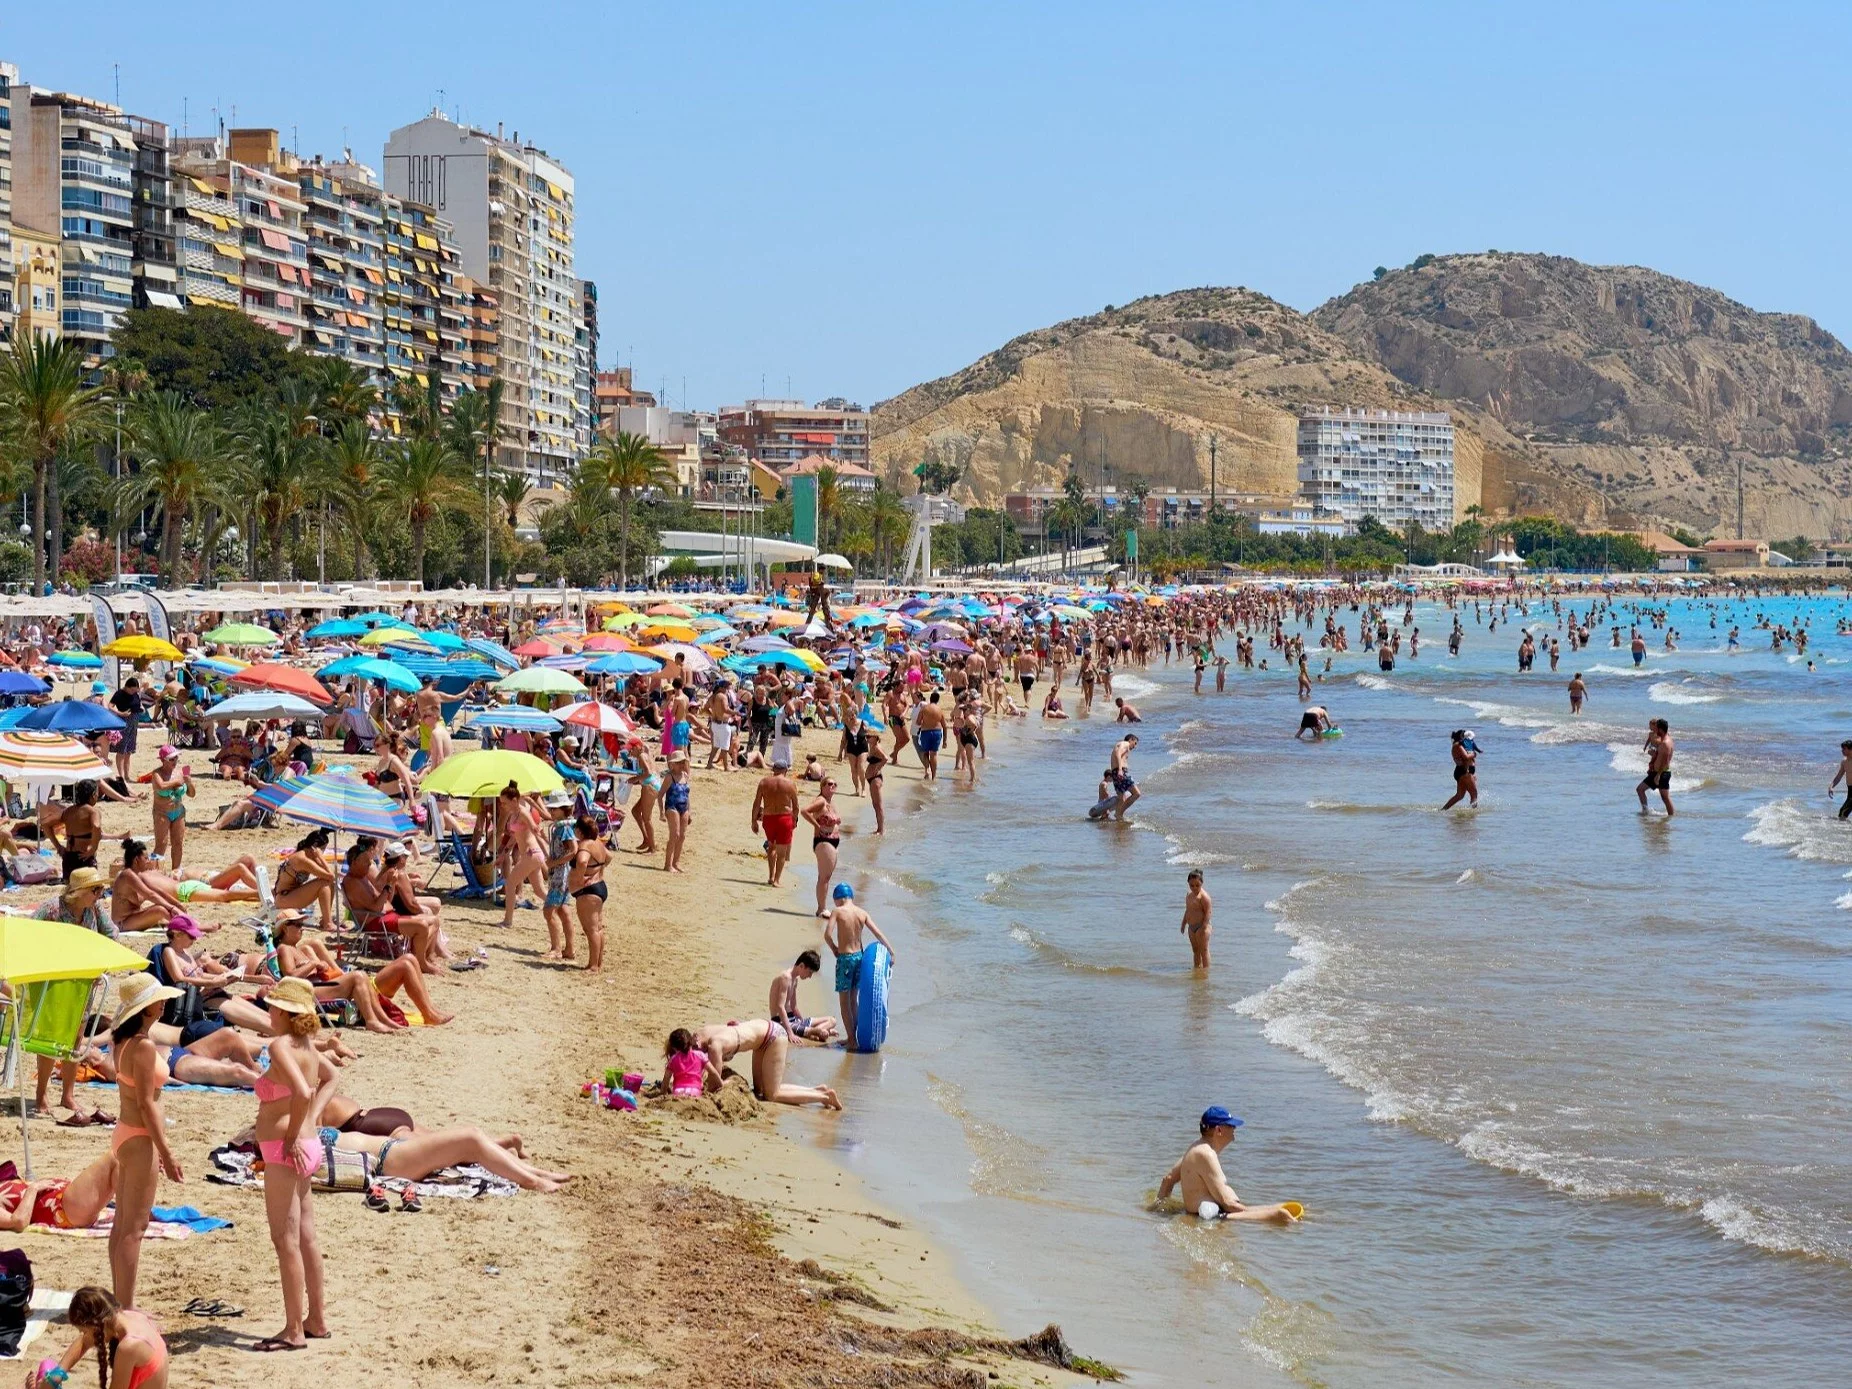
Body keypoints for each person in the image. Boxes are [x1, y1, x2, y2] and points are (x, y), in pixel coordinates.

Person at [252, 976, 335, 1352]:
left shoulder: (281, 1045)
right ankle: (316, 1319)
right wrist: (312, 1118)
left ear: (285, 1013)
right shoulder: (308, 1046)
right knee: (307, 1236)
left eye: (273, 1006)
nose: (268, 1011)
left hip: (285, 1148)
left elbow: (302, 1091)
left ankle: (293, 1329)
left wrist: (287, 1137)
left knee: (284, 1240)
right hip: (308, 1142)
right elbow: (329, 1080)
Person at [106, 973, 185, 1308]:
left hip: (126, 1133)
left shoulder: (123, 1041)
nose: (164, 1003)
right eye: (158, 1000)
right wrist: (166, 1152)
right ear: (144, 1008)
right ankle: (125, 1308)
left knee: (122, 1223)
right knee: (134, 1228)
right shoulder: (144, 1045)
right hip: (140, 1137)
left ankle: (120, 1300)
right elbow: (146, 1102)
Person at [1157, 1107, 1298, 1222]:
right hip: (1212, 1218)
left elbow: (1168, 1179)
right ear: (1219, 1130)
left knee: (1284, 1206)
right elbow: (1227, 1204)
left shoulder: (1195, 1147)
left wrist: (1159, 1210)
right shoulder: (1207, 1154)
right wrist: (1257, 1213)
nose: (1234, 1128)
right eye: (1231, 1125)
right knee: (1281, 1214)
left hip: (1205, 1214)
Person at [691, 1018, 840, 1109]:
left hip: (774, 1037)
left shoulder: (714, 1046)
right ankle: (817, 1089)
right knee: (760, 1091)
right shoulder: (702, 1032)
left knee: (772, 1095)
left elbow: (714, 1083)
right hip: (762, 1035)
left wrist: (701, 1093)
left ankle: (825, 1097)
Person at [36, 1286, 168, 1388]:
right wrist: (57, 1375)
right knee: (48, 1373)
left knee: (43, 1374)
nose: (84, 1335)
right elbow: (83, 1342)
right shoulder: (132, 1317)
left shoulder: (128, 1347)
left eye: (84, 1331)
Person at [824, 882, 893, 1048]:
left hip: (845, 958)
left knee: (843, 1002)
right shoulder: (862, 913)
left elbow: (827, 935)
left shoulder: (838, 911)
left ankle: (851, 1040)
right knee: (853, 1000)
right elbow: (877, 933)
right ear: (851, 897)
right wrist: (891, 951)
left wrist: (834, 948)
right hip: (859, 957)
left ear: (837, 899)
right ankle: (854, 1037)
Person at [0, 1150, 117, 1233]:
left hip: (66, 1199)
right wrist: (33, 1189)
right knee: (116, 1156)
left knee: (124, 1156)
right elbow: (18, 1222)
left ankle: (132, 1216)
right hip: (63, 1208)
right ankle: (130, 1219)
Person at [567, 816, 610, 971]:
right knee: (597, 928)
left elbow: (583, 861)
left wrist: (580, 878)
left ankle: (593, 966)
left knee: (591, 930)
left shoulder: (585, 845)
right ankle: (598, 963)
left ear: (579, 831)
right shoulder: (597, 843)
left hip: (588, 891)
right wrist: (598, 872)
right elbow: (609, 857)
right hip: (598, 886)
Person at [751, 756, 800, 888]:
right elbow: (796, 806)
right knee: (782, 852)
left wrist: (754, 821)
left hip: (768, 818)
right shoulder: (790, 784)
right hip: (784, 819)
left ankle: (771, 877)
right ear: (785, 770)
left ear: (773, 769)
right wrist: (794, 821)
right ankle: (777, 880)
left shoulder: (764, 782)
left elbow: (756, 803)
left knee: (771, 847)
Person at [768, 949, 839, 1041]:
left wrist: (802, 1022)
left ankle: (814, 1031)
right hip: (782, 1022)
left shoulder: (795, 980)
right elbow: (780, 1006)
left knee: (832, 1020)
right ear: (801, 966)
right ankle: (817, 1031)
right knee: (823, 1034)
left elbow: (794, 1007)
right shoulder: (785, 978)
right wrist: (790, 1033)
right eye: (810, 972)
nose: (809, 976)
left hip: (794, 1020)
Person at [540, 791, 578, 960]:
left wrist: (553, 863)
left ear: (564, 809)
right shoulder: (562, 827)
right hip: (563, 872)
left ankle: (556, 948)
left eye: (555, 808)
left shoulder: (564, 828)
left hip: (561, 873)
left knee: (549, 910)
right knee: (563, 910)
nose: (552, 811)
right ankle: (569, 948)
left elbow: (573, 850)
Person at [802, 776, 844, 916]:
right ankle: (821, 908)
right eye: (829, 784)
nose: (832, 786)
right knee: (824, 877)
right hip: (823, 840)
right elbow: (804, 811)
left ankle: (822, 906)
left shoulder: (831, 802)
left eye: (835, 784)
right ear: (822, 786)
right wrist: (817, 825)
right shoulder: (821, 801)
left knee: (826, 876)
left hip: (832, 841)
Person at [49, 779, 103, 883]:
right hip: (84, 856)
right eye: (97, 793)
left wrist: (58, 846)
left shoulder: (68, 811)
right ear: (93, 795)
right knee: (89, 888)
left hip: (69, 856)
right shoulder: (92, 812)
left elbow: (46, 825)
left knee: (70, 889)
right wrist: (93, 847)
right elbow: (97, 826)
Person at [662, 1027, 723, 1097]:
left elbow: (666, 1078)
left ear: (674, 1047)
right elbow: (713, 1072)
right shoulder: (700, 1055)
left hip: (677, 1091)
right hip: (695, 1091)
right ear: (690, 1042)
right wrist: (721, 1084)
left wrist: (663, 1093)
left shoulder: (673, 1059)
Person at [661, 754, 692, 874]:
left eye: (682, 762)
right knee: (675, 835)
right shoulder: (669, 777)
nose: (681, 765)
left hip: (684, 807)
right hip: (672, 806)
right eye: (678, 762)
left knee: (682, 836)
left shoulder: (685, 776)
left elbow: (687, 795)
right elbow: (660, 795)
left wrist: (690, 811)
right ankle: (667, 864)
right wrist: (661, 812)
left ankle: (676, 862)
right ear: (673, 764)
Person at [1637, 717, 1675, 816]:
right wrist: (1654, 754)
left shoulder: (1665, 743)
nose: (1654, 730)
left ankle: (1671, 817)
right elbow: (1660, 756)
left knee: (1665, 797)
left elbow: (1665, 761)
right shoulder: (1666, 740)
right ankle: (1645, 811)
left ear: (1661, 730)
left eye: (1656, 728)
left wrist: (1658, 775)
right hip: (1658, 773)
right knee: (1640, 789)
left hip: (1661, 774)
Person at [1181, 868, 1213, 970]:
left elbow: (1208, 912)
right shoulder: (1189, 895)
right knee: (1195, 950)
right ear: (1188, 884)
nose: (1194, 888)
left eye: (1197, 885)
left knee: (1203, 950)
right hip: (1191, 927)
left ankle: (1205, 971)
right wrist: (1183, 923)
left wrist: (1203, 928)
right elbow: (1188, 910)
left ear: (1202, 883)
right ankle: (1197, 969)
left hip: (1202, 927)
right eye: (1192, 885)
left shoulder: (1204, 897)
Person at [1442, 728, 1479, 810]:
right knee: (1474, 793)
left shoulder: (1460, 745)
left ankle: (1443, 810)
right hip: (1464, 772)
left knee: (1460, 795)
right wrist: (1473, 754)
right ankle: (1473, 814)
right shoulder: (1458, 745)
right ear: (1462, 737)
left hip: (1464, 772)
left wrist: (1472, 774)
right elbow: (1466, 757)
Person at [1109, 733, 1140, 820]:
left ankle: (1118, 817)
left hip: (1115, 772)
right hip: (1121, 771)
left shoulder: (1120, 744)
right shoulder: (1125, 744)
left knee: (1121, 797)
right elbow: (1118, 753)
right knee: (1137, 793)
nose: (1135, 746)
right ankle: (1119, 813)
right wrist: (1120, 770)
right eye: (1135, 743)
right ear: (1131, 740)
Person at [915, 692, 945, 781]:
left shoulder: (924, 709)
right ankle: (934, 776)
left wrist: (924, 723)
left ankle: (927, 771)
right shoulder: (940, 710)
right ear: (938, 700)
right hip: (937, 732)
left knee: (925, 753)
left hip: (926, 732)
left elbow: (918, 722)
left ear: (930, 699)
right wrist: (945, 740)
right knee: (934, 755)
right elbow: (944, 725)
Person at [1833, 739, 1852, 821]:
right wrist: (1831, 786)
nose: (1842, 751)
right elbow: (1839, 776)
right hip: (1850, 790)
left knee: (1843, 812)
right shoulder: (1844, 762)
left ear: (1850, 749)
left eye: (1844, 749)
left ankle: (1842, 830)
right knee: (1843, 812)